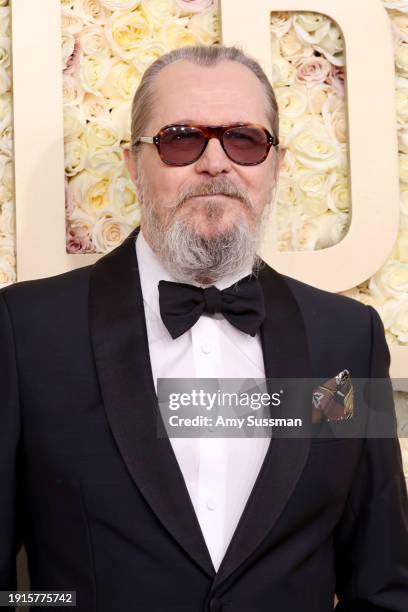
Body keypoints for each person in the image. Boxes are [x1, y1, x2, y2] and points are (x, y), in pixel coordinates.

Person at [1, 44, 407, 612]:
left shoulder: (348, 339)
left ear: (276, 164)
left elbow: (382, 585)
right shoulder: (24, 332)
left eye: (244, 139)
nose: (216, 163)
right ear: (132, 162)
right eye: (182, 137)